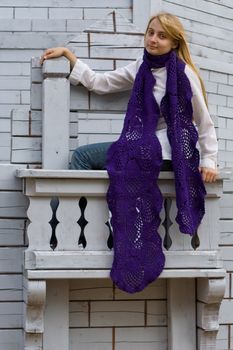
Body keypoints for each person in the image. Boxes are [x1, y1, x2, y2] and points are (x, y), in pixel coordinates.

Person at [40, 12, 218, 293]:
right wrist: (70, 57)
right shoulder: (142, 67)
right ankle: (88, 229)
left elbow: (204, 121)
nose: (153, 39)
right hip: (145, 147)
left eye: (161, 35)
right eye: (150, 33)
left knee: (88, 157)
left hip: (172, 152)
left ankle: (72, 230)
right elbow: (102, 82)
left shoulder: (184, 73)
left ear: (174, 42)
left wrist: (209, 160)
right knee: (108, 158)